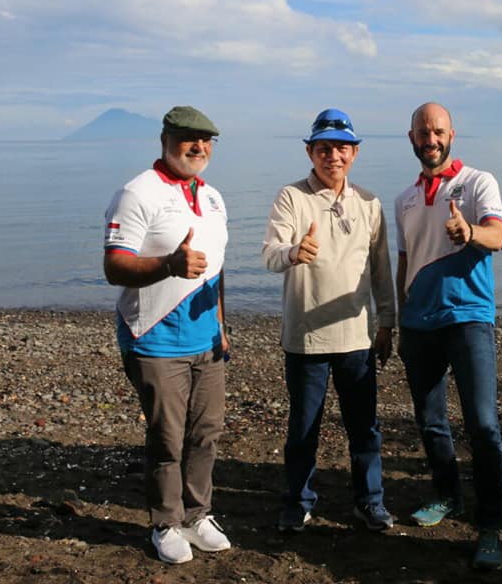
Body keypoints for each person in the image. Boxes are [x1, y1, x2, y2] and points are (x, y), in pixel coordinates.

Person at [104, 106, 232, 564]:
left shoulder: (213, 197)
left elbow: (217, 269)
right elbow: (114, 266)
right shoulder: (137, 193)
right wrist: (168, 266)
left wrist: (221, 323)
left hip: (207, 341)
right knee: (167, 437)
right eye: (189, 138)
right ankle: (165, 523)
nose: (199, 147)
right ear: (166, 138)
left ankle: (198, 515)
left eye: (206, 139)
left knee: (206, 432)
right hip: (154, 338)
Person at [261, 108, 396, 533]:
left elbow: (380, 270)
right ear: (310, 152)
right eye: (323, 148)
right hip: (305, 339)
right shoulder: (292, 197)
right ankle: (298, 501)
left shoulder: (370, 203)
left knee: (365, 428)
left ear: (354, 153)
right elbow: (269, 253)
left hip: (356, 337)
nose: (332, 155)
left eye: (341, 147)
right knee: (303, 426)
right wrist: (293, 252)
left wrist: (388, 323)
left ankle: (369, 501)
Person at [394, 102, 502, 570]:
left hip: (468, 320)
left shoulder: (478, 183)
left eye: (438, 131)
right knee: (432, 421)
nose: (431, 139)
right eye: (424, 132)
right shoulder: (402, 199)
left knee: (482, 424)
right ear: (412, 138)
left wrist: (470, 231)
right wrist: (398, 321)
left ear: (452, 134)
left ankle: (490, 526)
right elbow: (405, 261)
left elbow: (500, 236)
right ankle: (447, 496)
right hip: (419, 326)